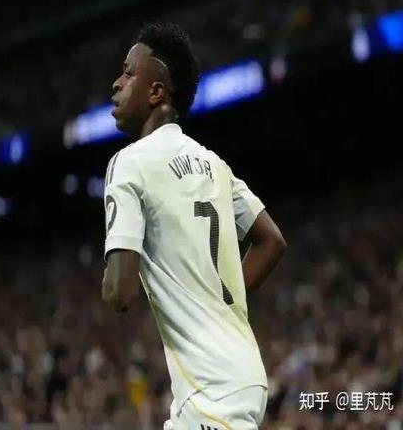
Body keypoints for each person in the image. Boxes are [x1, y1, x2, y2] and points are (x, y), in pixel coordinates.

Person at [102, 22, 287, 430]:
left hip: (211, 388)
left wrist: (110, 277)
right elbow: (271, 241)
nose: (116, 83)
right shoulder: (214, 165)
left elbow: (120, 292)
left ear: (156, 92)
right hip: (239, 372)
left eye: (128, 73)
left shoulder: (128, 164)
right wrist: (220, 306)